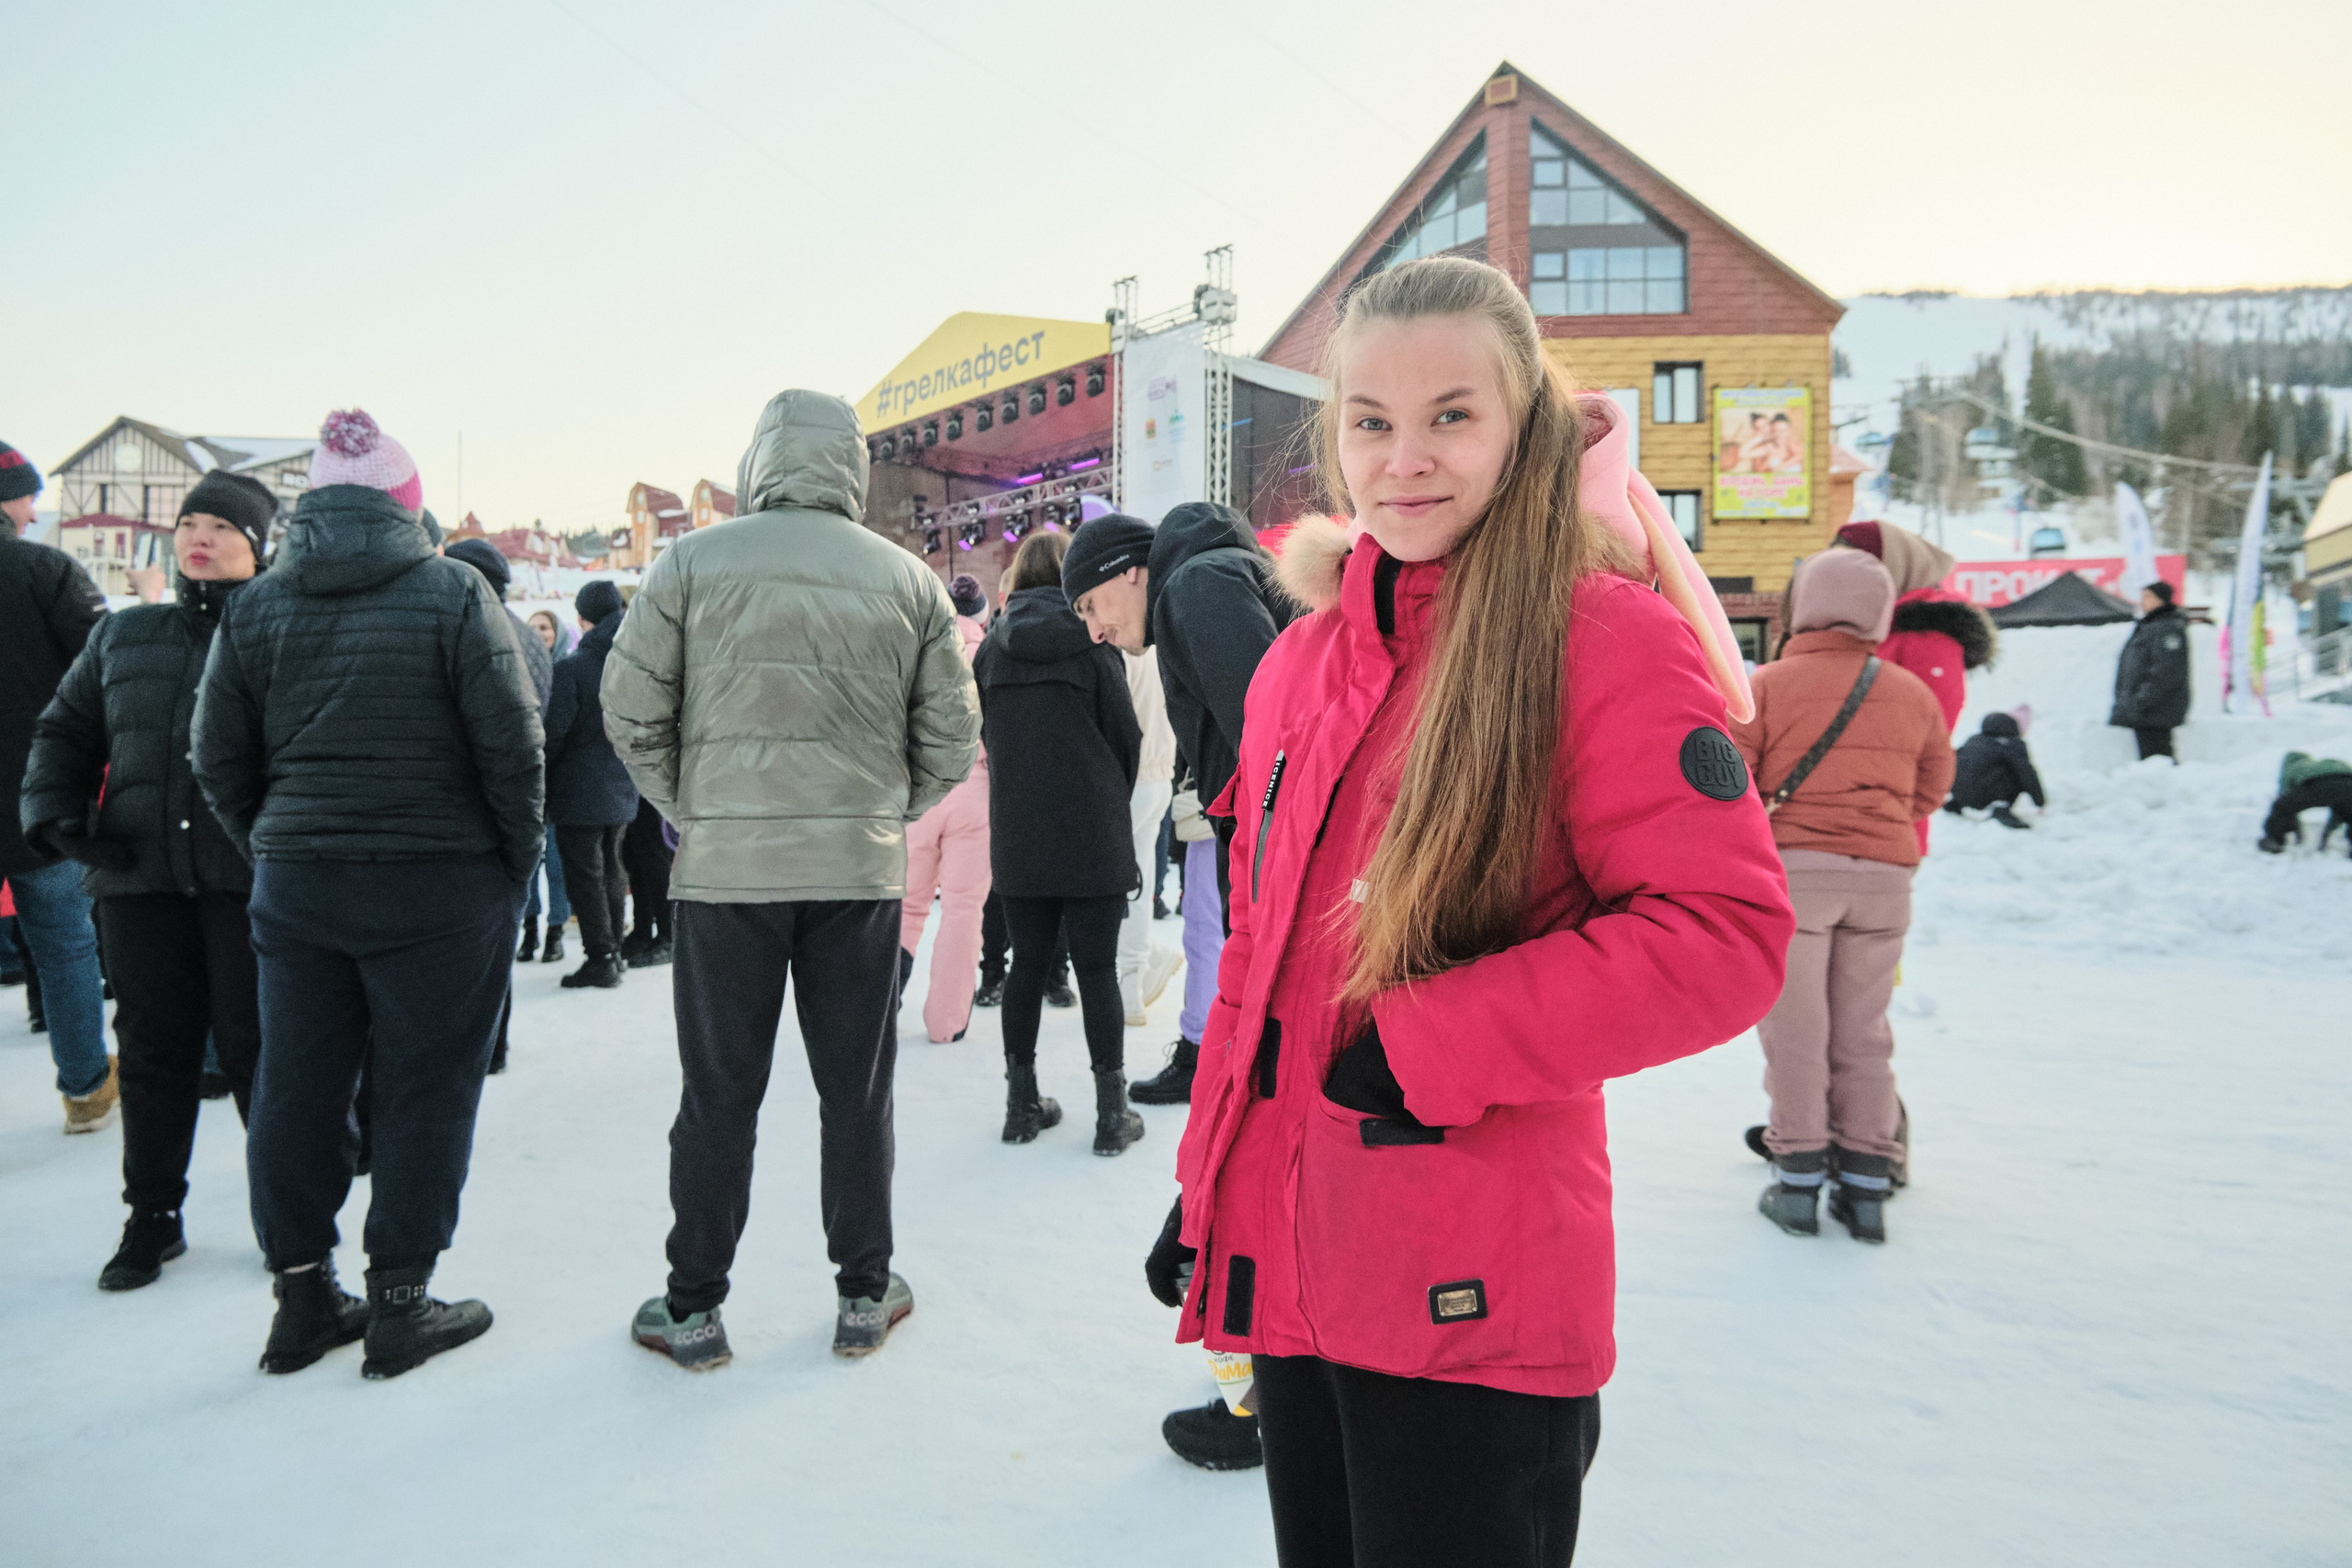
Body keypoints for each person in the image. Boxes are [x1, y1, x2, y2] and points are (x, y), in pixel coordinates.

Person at [1145, 257, 1792, 1563]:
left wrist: (1433, 1041)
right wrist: (1212, 1185)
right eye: (1370, 420)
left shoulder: (1597, 634)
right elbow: (1267, 956)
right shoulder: (1302, 658)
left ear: (1520, 423)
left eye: (1452, 413)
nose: (1405, 459)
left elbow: (1724, 933)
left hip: (1477, 1301)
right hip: (1304, 1281)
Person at [603, 389, 978, 1370]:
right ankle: (863, 1292)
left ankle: (693, 1308)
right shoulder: (907, 580)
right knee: (854, 1091)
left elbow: (628, 708)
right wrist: (880, 811)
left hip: (727, 875)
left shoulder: (688, 563)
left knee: (718, 1094)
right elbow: (953, 735)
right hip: (854, 874)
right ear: (848, 468)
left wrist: (692, 805)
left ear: (759, 459)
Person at [193, 408, 543, 1380]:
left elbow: (215, 755)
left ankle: (302, 1298)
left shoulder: (258, 606)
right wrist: (510, 864)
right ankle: (400, 1301)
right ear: (408, 505)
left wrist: (277, 841)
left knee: (294, 1088)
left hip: (301, 886)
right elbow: (511, 748)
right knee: (429, 1087)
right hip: (441, 882)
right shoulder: (453, 593)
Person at [21, 472, 275, 1289]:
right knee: (155, 1051)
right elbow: (64, 728)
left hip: (248, 880)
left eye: (220, 525)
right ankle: (151, 1216)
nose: (198, 537)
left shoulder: (284, 629)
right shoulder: (124, 637)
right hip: (140, 878)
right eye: (189, 522)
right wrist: (57, 814)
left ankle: (287, 1217)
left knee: (258, 1051)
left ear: (258, 545)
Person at [1730, 548, 1954, 1246]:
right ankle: (1866, 1181)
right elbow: (1934, 784)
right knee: (1865, 1032)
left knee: (1798, 1032)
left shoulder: (1768, 685)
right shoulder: (1912, 692)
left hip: (1797, 879)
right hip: (1885, 881)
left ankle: (1797, 1177)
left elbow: (1732, 778)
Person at [1066, 501, 1290, 1101]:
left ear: (1127, 571)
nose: (1094, 631)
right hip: (1263, 850)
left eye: (1089, 604)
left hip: (1283, 863)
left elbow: (1277, 744)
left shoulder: (1195, 584)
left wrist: (1266, 874)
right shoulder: (1195, 585)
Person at [973, 527, 1145, 1154]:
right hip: (1092, 830)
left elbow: (991, 741)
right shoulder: (1094, 644)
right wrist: (1107, 799)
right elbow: (1125, 737)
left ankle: (1021, 1106)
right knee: (1097, 969)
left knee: (1024, 969)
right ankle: (1110, 1116)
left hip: (1020, 835)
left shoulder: (991, 651)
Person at [0, 436, 116, 1133]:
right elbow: (102, 665)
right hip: (33, 795)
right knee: (66, 941)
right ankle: (86, 1089)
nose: (34, 505)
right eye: (26, 492)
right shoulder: (44, 570)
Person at [447, 538, 554, 1072]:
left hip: (465, 806)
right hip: (520, 802)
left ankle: (473, 1050)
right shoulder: (531, 639)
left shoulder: (465, 624)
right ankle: (495, 1046)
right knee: (498, 940)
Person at [898, 573, 993, 1043]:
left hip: (921, 791)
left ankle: (878, 1003)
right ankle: (946, 1023)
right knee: (962, 909)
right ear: (981, 616)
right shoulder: (990, 653)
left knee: (906, 904)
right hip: (975, 791)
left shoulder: (917, 648)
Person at [547, 581, 639, 988]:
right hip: (623, 782)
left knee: (585, 875)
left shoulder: (573, 667)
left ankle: (600, 957)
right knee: (613, 868)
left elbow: (553, 733)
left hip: (578, 790)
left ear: (584, 617)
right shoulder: (636, 661)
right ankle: (614, 952)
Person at [1116, 645, 1183, 1026]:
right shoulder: (1158, 648)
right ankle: (1134, 983)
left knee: (1113, 886)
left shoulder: (1123, 649)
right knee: (1137, 884)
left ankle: (1139, 969)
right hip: (1159, 775)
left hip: (1132, 778)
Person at [2110, 580, 2191, 761]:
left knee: (2158, 759)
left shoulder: (2167, 627)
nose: (2143, 601)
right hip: (2146, 709)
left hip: (2155, 708)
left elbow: (2167, 670)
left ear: (2161, 600)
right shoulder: (2151, 625)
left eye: (2148, 596)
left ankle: (2166, 788)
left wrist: (2143, 698)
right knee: (2152, 759)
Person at [1943, 710, 2044, 829]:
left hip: (1959, 793)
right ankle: (2000, 806)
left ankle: (1955, 804)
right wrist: (2040, 802)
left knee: (1973, 769)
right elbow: (2027, 774)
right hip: (1986, 797)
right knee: (2016, 771)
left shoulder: (1974, 739)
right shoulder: (2013, 745)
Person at [2257, 751, 2352, 855]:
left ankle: (2274, 841)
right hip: (2349, 782)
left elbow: (2286, 800)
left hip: (2318, 785)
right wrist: (2326, 834)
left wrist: (2297, 831)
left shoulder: (2293, 767)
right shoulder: (2322, 765)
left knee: (2281, 806)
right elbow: (2341, 808)